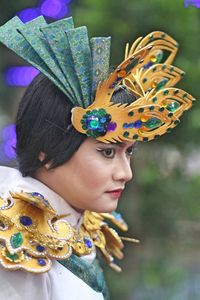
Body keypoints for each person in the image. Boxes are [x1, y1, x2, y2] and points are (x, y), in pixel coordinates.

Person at [0, 15, 194, 300]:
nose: (125, 173)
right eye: (107, 152)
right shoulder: (13, 242)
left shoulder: (77, 222)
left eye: (129, 152)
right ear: (47, 149)